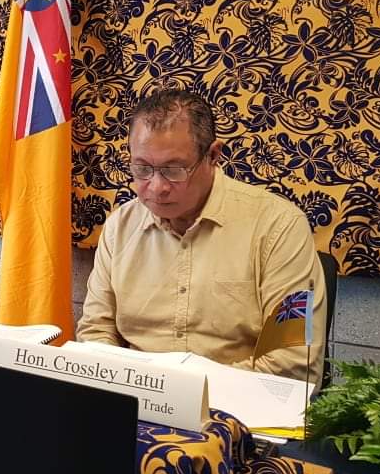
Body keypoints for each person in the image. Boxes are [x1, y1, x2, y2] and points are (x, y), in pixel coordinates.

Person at [77, 88, 326, 383]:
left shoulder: (278, 227)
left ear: (213, 156)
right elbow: (96, 332)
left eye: (174, 170)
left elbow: (293, 360)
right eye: (142, 169)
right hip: (136, 401)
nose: (156, 187)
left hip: (239, 407)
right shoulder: (121, 227)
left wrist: (183, 391)